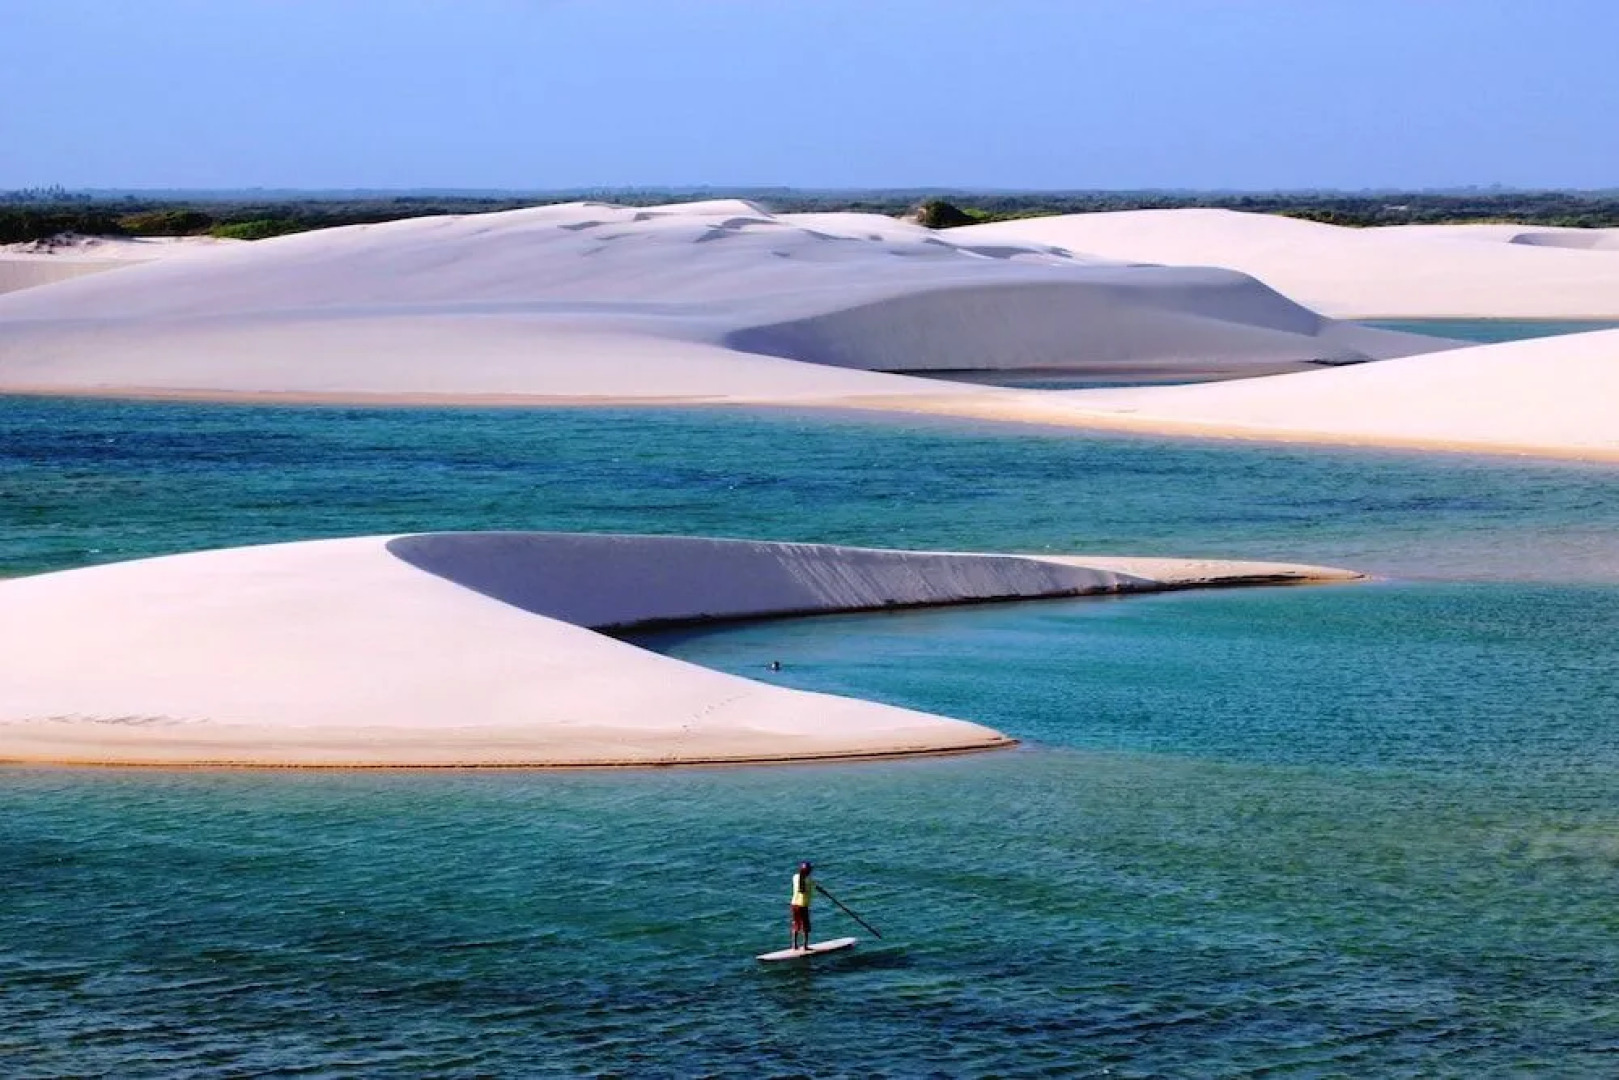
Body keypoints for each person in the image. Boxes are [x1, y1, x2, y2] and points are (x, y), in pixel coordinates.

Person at [789, 861, 815, 950]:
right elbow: (812, 888)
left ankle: (794, 945)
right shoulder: (809, 881)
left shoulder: (795, 877)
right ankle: (805, 946)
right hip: (803, 905)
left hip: (794, 904)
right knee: (805, 926)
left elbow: (802, 884)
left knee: (796, 924)